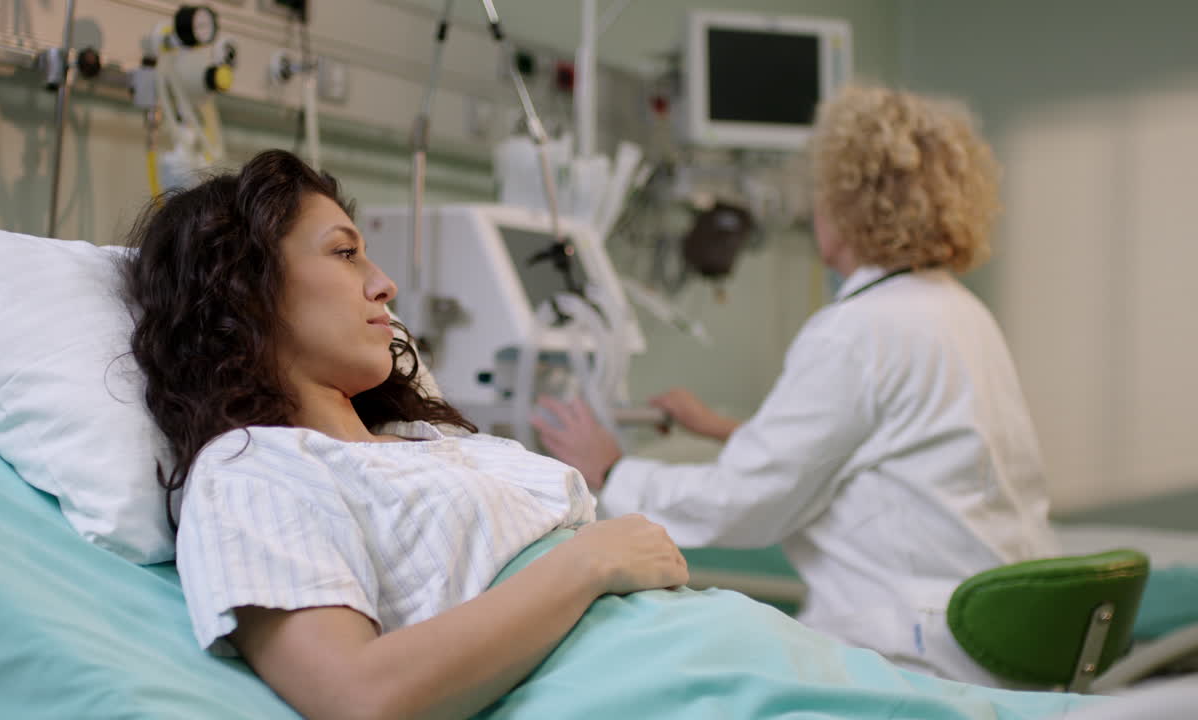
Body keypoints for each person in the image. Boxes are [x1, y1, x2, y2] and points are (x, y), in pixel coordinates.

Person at [120, 149, 1095, 719]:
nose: (385, 285)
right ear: (244, 292)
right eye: (345, 254)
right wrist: (589, 562)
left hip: (748, 667)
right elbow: (360, 699)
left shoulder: (423, 447)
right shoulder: (255, 470)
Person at [532, 86, 1060, 687]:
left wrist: (614, 472)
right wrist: (725, 429)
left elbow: (747, 503)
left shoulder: (856, 330)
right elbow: (895, 443)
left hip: (921, 650)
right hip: (1000, 629)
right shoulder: (955, 311)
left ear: (848, 203)